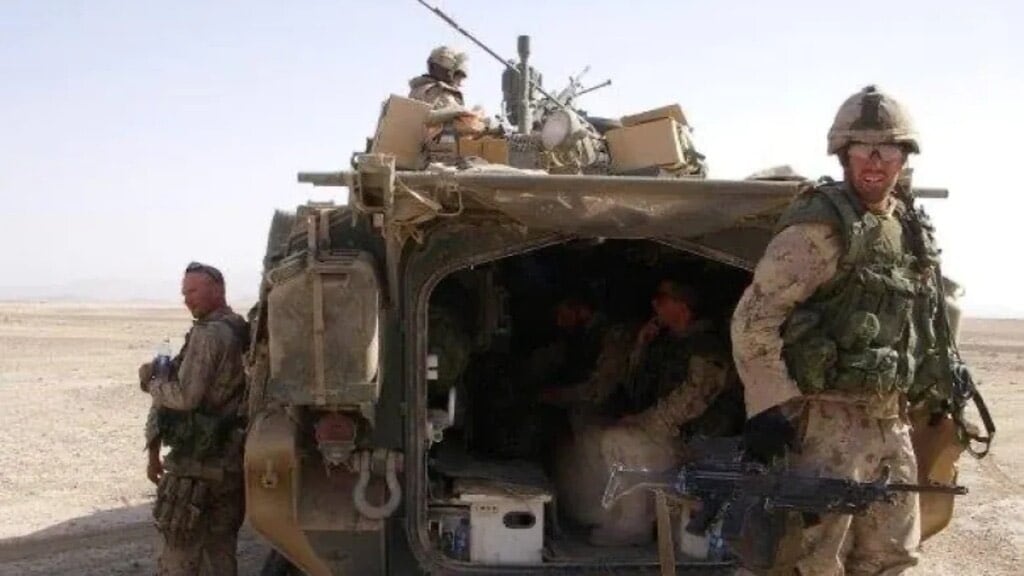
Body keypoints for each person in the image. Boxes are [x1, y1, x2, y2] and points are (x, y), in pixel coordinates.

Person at [731, 85, 944, 575]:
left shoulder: (907, 224)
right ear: (843, 154)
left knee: (890, 557)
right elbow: (754, 318)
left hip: (890, 421)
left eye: (887, 150)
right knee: (814, 560)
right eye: (862, 149)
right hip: (826, 425)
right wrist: (766, 407)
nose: (875, 162)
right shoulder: (820, 227)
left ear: (904, 157)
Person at [591, 280, 737, 546]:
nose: (654, 305)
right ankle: (626, 516)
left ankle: (635, 526)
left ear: (682, 306)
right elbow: (633, 388)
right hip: (672, 435)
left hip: (699, 441)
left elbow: (693, 399)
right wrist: (641, 346)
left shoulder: (707, 346)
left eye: (662, 299)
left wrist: (643, 422)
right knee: (605, 434)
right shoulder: (667, 345)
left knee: (622, 439)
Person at [138, 262, 249, 576]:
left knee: (178, 554)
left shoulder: (208, 334)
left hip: (196, 468)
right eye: (184, 292)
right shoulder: (238, 327)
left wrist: (153, 384)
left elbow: (185, 398)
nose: (186, 299)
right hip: (229, 465)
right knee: (221, 552)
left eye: (193, 291)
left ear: (217, 290)